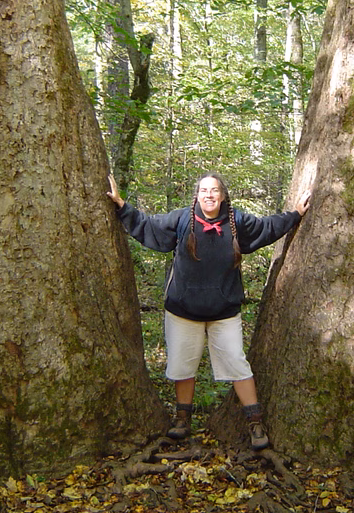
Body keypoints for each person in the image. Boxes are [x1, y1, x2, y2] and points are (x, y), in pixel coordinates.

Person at [107, 172, 310, 449]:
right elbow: (148, 226)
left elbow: (266, 227)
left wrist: (296, 215)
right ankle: (182, 419)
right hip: (182, 311)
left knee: (237, 364)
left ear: (223, 195)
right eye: (204, 190)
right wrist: (121, 206)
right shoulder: (181, 220)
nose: (209, 195)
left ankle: (255, 423)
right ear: (197, 195)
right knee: (182, 365)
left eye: (214, 190)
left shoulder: (237, 221)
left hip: (224, 312)